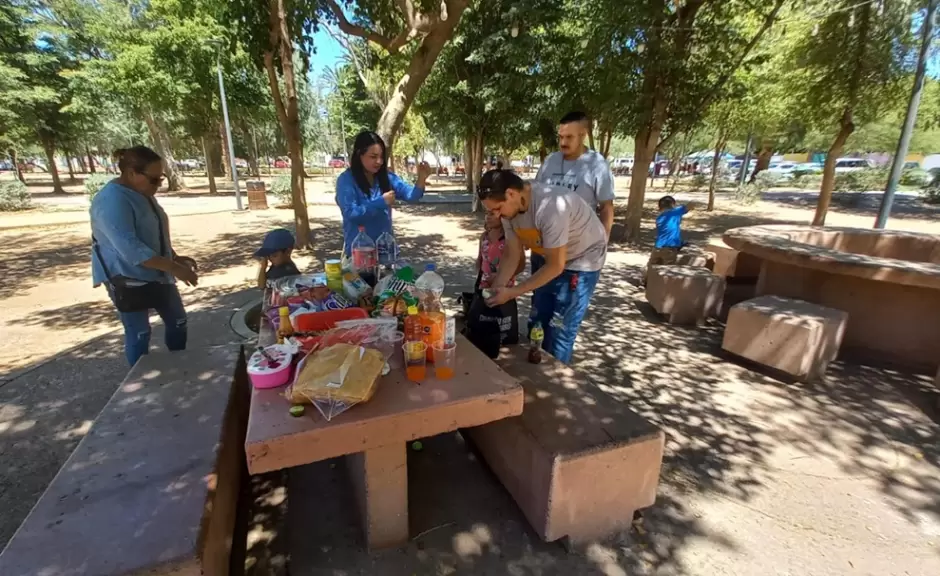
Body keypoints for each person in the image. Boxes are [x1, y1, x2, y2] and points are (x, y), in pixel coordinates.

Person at [479, 169, 607, 364]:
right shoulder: (509, 212)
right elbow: (512, 253)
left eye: (497, 208)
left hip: (581, 259)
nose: (496, 215)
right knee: (537, 323)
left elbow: (556, 266)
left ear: (511, 193)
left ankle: (555, 378)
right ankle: (536, 371)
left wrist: (512, 293)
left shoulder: (551, 207)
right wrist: (497, 288)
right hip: (549, 255)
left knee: (559, 331)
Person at [90, 146, 199, 367]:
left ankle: (179, 368)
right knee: (140, 333)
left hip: (159, 272)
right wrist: (175, 269)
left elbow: (152, 233)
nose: (158, 185)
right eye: (154, 180)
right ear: (132, 173)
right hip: (127, 277)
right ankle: (139, 380)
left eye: (161, 179)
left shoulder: (143, 193)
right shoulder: (111, 200)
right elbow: (132, 249)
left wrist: (174, 258)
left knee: (178, 321)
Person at [335, 131, 432, 258]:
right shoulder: (346, 180)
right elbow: (351, 214)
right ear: (359, 154)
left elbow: (412, 196)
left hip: (386, 253)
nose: (379, 161)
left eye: (381, 157)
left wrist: (421, 178)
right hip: (359, 255)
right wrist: (381, 202)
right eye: (373, 157)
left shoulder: (386, 177)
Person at [535, 111, 615, 239]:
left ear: (583, 135)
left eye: (569, 137)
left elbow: (606, 207)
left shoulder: (597, 165)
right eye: (561, 137)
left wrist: (603, 240)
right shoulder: (550, 161)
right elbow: (536, 196)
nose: (563, 142)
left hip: (581, 244)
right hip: (546, 241)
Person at [643, 195, 694, 285]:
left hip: (658, 247)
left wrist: (681, 243)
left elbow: (668, 231)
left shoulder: (659, 218)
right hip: (670, 249)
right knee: (669, 269)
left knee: (652, 266)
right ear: (672, 205)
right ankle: (665, 287)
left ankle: (646, 283)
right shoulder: (674, 212)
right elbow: (691, 205)